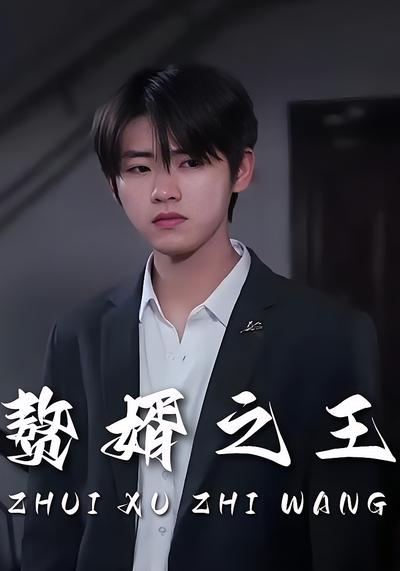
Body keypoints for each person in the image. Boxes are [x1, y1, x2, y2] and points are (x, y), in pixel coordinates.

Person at [21, 63, 389, 570]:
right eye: (140, 168)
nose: (163, 190)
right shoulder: (79, 335)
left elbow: (347, 539)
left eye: (191, 162)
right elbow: (51, 526)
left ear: (241, 170)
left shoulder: (326, 337)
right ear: (114, 184)